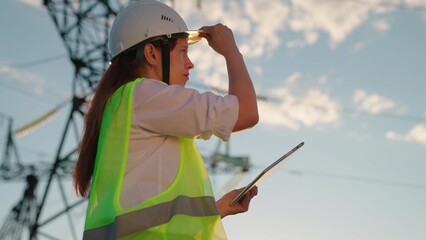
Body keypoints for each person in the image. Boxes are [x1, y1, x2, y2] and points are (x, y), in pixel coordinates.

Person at [73, 0, 259, 239]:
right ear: (151, 53)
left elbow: (149, 208)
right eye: (183, 51)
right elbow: (246, 113)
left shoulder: (126, 104)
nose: (190, 63)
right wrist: (231, 50)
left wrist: (218, 209)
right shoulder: (145, 96)